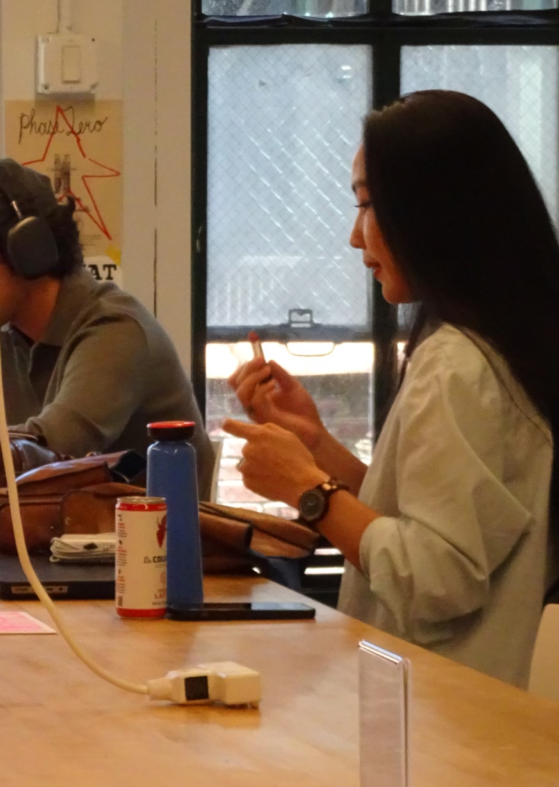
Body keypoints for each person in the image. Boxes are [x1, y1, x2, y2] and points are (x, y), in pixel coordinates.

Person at [225, 90, 559, 688]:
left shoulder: (460, 363)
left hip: (449, 725)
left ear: (433, 213)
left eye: (367, 205)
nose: (357, 238)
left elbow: (437, 578)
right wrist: (316, 445)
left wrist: (308, 490)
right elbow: (426, 522)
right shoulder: (490, 343)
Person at [0, 158, 214, 494]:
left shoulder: (115, 332)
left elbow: (49, 448)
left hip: (160, 542)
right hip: (68, 534)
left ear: (26, 250)